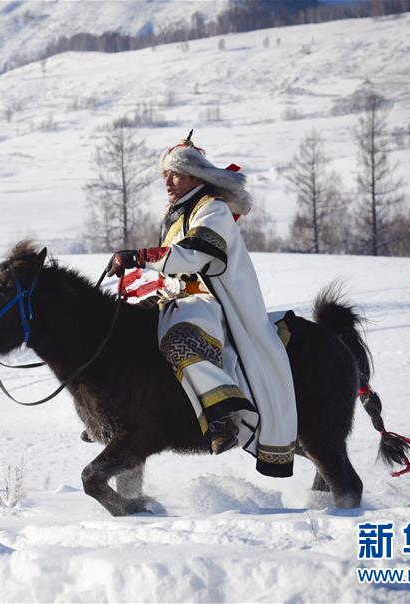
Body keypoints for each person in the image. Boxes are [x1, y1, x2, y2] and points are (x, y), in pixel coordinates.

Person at [106, 131, 297, 478]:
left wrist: (137, 256)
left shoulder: (213, 208)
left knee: (181, 341)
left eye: (175, 174)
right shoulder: (177, 212)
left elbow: (195, 255)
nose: (167, 181)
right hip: (179, 298)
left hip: (211, 302)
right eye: (165, 175)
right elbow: (173, 269)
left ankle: (223, 414)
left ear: (198, 177)